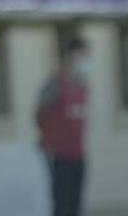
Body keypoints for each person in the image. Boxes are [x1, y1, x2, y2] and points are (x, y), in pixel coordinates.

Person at [36, 37, 90, 216]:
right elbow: (40, 113)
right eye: (82, 55)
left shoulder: (81, 85)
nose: (86, 60)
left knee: (75, 204)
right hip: (58, 155)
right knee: (62, 204)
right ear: (71, 55)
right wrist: (50, 139)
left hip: (77, 153)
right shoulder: (55, 84)